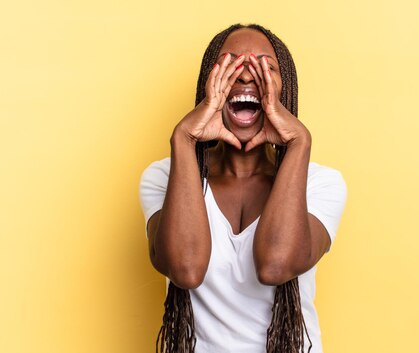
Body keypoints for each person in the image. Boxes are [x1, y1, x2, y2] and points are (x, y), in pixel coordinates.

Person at [139, 23, 347, 353]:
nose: (248, 76)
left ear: (285, 88)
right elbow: (186, 269)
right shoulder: (165, 176)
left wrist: (298, 143)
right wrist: (183, 139)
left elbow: (275, 266)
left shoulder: (322, 183)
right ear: (210, 84)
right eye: (232, 64)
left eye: (264, 66)